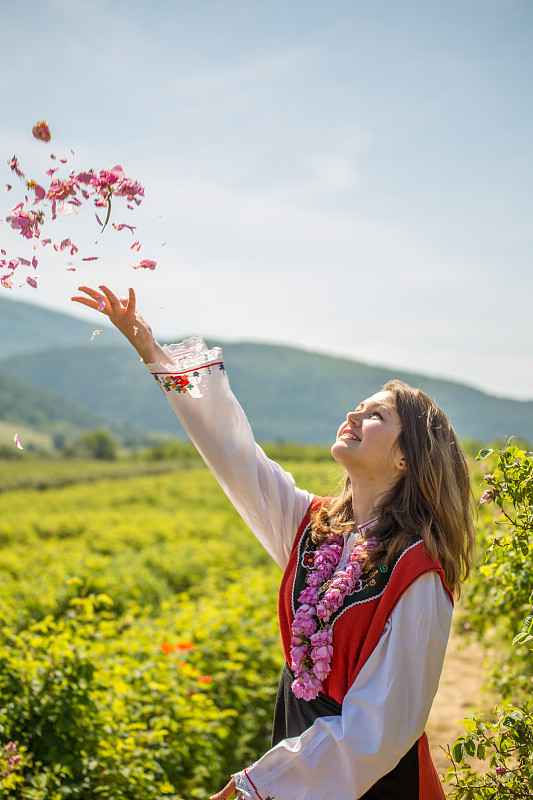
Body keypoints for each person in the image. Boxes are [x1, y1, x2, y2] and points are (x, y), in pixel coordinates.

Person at [72, 285, 476, 800]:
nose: (353, 416)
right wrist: (152, 350)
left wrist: (261, 786)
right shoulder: (312, 525)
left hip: (369, 780)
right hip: (297, 742)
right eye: (357, 407)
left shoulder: (417, 572)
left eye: (376, 416)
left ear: (406, 460)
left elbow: (380, 732)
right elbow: (237, 457)